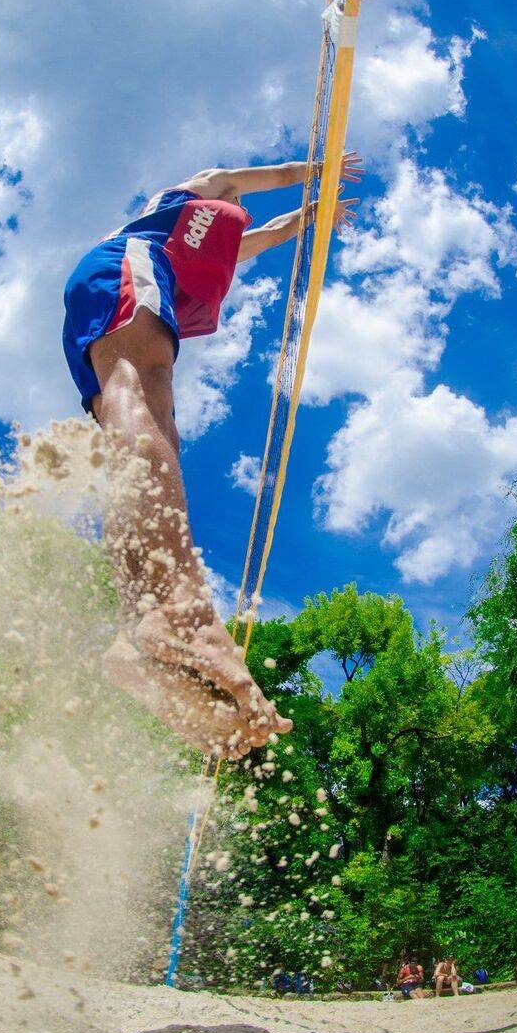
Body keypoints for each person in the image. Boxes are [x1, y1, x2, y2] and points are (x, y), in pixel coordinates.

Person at [63, 155, 361, 757]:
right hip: (119, 271)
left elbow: (268, 235)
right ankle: (176, 606)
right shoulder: (192, 195)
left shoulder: (204, 248)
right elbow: (269, 175)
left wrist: (310, 217)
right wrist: (320, 167)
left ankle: (137, 624)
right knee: (143, 385)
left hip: (105, 298)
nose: (238, 212)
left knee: (150, 430)